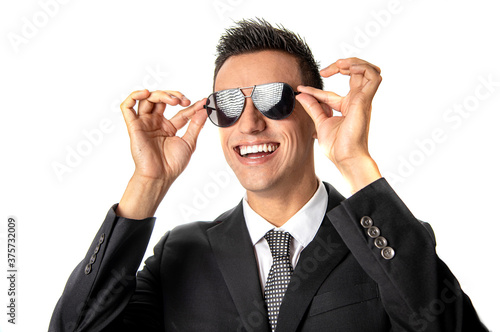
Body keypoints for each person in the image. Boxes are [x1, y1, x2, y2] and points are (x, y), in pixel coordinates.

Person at [49, 18, 488, 332]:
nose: (249, 123)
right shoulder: (181, 254)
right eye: (229, 105)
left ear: (314, 109)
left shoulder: (384, 242)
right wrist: (149, 183)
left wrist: (354, 161)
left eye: (273, 99)